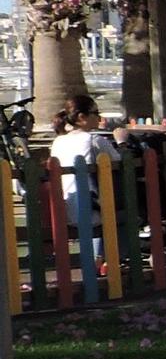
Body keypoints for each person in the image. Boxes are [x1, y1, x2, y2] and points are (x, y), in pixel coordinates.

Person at [49, 94, 124, 263]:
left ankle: (98, 258)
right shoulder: (94, 140)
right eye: (95, 113)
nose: (99, 117)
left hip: (67, 210)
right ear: (82, 117)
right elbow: (121, 162)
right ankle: (113, 258)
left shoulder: (58, 142)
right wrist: (122, 142)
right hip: (93, 209)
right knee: (135, 212)